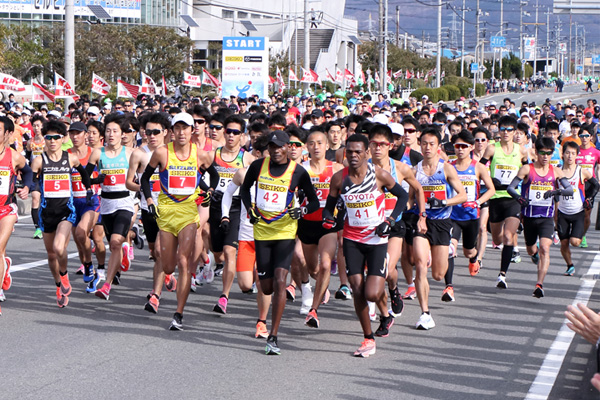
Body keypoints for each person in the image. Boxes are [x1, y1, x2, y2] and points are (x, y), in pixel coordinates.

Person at [323, 133, 408, 357]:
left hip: (377, 240)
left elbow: (402, 198)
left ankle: (385, 314)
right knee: (357, 289)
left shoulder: (379, 175)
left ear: (366, 153)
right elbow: (329, 206)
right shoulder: (339, 179)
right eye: (349, 151)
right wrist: (328, 217)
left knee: (372, 292)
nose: (353, 155)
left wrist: (389, 221)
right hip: (352, 240)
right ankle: (368, 338)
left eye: (357, 151)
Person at [239, 130, 319, 355]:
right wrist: (250, 208)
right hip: (262, 231)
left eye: (279, 147)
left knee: (281, 280)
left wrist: (300, 210)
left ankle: (273, 335)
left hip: (285, 231)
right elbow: (245, 189)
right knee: (266, 286)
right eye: (271, 147)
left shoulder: (298, 172)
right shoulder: (257, 167)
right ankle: (270, 314)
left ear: (288, 148)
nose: (275, 151)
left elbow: (313, 202)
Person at [141, 113, 213, 330]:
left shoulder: (201, 155)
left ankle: (178, 313)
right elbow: (145, 178)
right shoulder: (162, 152)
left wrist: (207, 191)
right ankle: (169, 278)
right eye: (178, 128)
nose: (182, 133)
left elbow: (214, 176)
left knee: (183, 261)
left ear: (193, 131)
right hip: (166, 212)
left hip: (188, 213)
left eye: (186, 128)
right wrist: (149, 200)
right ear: (172, 131)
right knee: (168, 264)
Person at [367, 124, 425, 336]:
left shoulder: (400, 168)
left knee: (382, 270)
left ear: (390, 146)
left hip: (394, 226)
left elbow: (417, 188)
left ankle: (387, 307)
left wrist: (421, 215)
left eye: (382, 144)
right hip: (370, 227)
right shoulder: (363, 168)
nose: (378, 148)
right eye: (374, 144)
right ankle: (393, 293)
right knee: (385, 273)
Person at [31, 120, 92, 307]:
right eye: (48, 137)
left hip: (67, 211)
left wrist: (89, 189)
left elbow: (84, 174)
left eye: (56, 137)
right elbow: (33, 181)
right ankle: (58, 285)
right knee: (51, 255)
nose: (52, 141)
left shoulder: (70, 158)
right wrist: (32, 189)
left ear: (63, 138)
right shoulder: (39, 160)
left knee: (59, 247)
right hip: (47, 212)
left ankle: (64, 276)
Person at [410, 128, 467, 329]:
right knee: (419, 264)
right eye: (424, 143)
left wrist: (443, 201)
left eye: (431, 144)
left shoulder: (447, 168)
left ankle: (447, 250)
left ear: (438, 147)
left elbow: (463, 195)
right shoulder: (415, 170)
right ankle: (425, 313)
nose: (427, 147)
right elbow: (409, 199)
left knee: (438, 275)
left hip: (442, 223)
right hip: (422, 222)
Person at [506, 137, 572, 297]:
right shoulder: (527, 169)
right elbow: (511, 188)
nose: (545, 157)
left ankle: (539, 284)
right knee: (531, 249)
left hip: (546, 218)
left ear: (552, 154)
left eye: (548, 154)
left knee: (545, 248)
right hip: (529, 217)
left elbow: (569, 190)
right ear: (536, 152)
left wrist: (556, 192)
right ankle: (533, 255)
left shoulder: (556, 171)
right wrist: (519, 198)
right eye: (542, 153)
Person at [221, 133, 272, 338]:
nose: (275, 155)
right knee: (244, 284)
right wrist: (225, 215)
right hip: (246, 235)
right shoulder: (244, 173)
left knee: (262, 282)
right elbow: (227, 193)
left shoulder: (284, 175)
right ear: (258, 153)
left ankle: (262, 321)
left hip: (269, 237)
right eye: (270, 152)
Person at [297, 131, 343, 329]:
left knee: (325, 264)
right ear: (306, 147)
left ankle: (313, 310)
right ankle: (321, 288)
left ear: (326, 146)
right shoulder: (299, 169)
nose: (316, 147)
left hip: (328, 224)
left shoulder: (337, 169)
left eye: (319, 143)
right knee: (313, 269)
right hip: (306, 223)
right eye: (311, 143)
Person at [87, 114, 136, 300]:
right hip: (106, 204)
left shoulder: (131, 153)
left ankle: (106, 286)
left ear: (122, 133)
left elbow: (146, 175)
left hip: (125, 202)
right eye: (108, 131)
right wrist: (94, 180)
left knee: (115, 241)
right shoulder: (98, 153)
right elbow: (85, 177)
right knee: (113, 246)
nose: (111, 134)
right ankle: (122, 253)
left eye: (115, 131)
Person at [210, 114, 255, 314]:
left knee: (230, 252)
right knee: (217, 252)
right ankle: (209, 262)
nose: (231, 136)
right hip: (215, 205)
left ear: (242, 136)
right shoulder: (213, 154)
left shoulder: (247, 159)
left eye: (236, 133)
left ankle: (224, 296)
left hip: (236, 207)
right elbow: (199, 173)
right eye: (228, 131)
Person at [125, 112, 170, 313]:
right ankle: (166, 272)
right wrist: (145, 189)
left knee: (160, 251)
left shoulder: (171, 153)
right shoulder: (138, 153)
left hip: (169, 210)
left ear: (165, 133)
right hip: (147, 208)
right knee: (153, 251)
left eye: (156, 132)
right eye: (148, 132)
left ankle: (155, 295)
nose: (152, 136)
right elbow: (128, 182)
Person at [446, 130, 495, 300]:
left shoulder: (478, 167)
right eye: (457, 146)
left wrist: (478, 202)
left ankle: (474, 259)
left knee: (468, 251)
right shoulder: (449, 166)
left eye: (464, 146)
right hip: (452, 215)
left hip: (470, 216)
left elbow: (491, 189)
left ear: (471, 148)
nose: (460, 150)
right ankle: (449, 287)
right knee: (449, 250)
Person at [481, 116, 529, 289]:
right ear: (498, 131)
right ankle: (503, 234)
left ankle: (502, 275)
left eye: (510, 129)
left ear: (515, 131)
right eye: (503, 129)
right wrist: (490, 179)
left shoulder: (522, 151)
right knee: (497, 238)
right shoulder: (492, 149)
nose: (506, 132)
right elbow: (480, 168)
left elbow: (527, 173)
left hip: (513, 198)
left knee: (508, 236)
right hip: (495, 198)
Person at [0, 116, 32, 312]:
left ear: (8, 134)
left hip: (6, 209)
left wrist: (26, 187)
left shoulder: (14, 156)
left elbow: (28, 172)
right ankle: (4, 265)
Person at [67, 121, 101, 293]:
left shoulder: (93, 154)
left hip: (91, 201)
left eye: (78, 133)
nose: (75, 137)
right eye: (72, 133)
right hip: (73, 203)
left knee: (82, 232)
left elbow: (102, 175)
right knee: (80, 242)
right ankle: (90, 268)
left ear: (85, 134)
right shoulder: (66, 155)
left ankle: (93, 266)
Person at [557, 141, 598, 276]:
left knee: (575, 242)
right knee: (563, 244)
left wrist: (589, 198)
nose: (570, 156)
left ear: (577, 156)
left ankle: (576, 235)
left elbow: (596, 185)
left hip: (577, 212)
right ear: (562, 154)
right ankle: (570, 265)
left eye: (573, 153)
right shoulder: (557, 171)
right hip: (562, 212)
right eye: (567, 153)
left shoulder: (581, 171)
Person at [575, 125, 600, 248]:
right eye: (581, 136)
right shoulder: (575, 151)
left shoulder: (596, 152)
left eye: (586, 136)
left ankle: (582, 235)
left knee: (586, 214)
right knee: (575, 211)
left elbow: (599, 168)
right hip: (577, 184)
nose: (584, 138)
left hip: (590, 185)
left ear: (591, 137)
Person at [27, 115, 45, 239]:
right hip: (34, 174)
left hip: (46, 174)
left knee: (46, 201)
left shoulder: (47, 141)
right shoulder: (30, 142)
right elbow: (28, 158)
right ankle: (37, 227)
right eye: (34, 126)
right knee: (35, 198)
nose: (36, 128)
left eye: (38, 125)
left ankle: (46, 224)